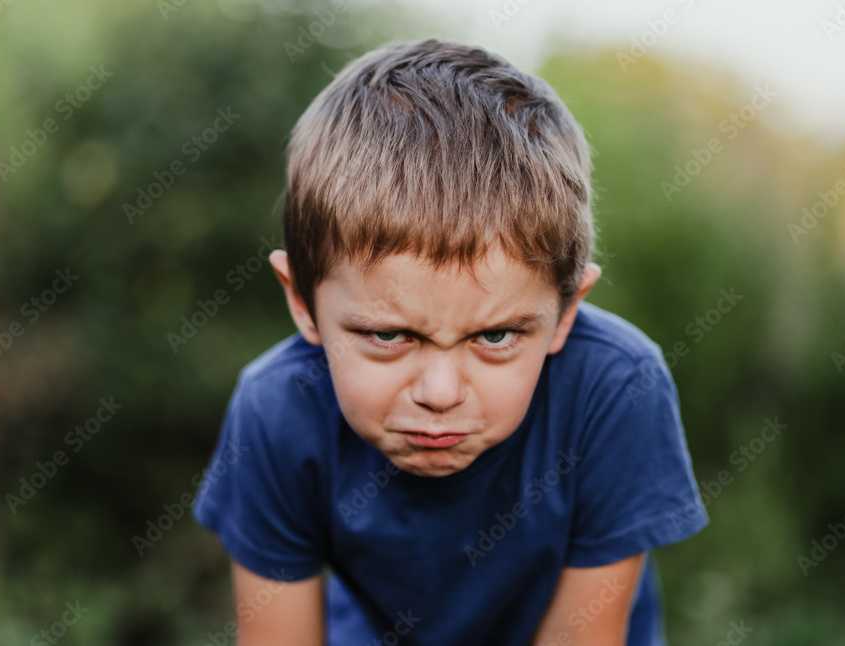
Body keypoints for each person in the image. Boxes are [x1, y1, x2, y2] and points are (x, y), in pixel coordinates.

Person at [193, 37, 708, 646]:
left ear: (566, 311)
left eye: (495, 335)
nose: (440, 392)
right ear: (302, 301)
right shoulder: (276, 412)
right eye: (388, 335)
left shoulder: (617, 389)